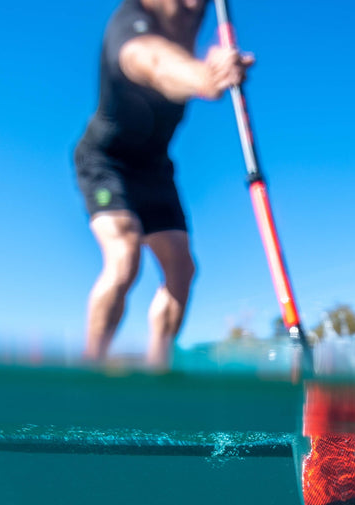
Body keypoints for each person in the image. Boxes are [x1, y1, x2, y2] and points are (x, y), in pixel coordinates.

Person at [74, 0, 254, 366]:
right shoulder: (131, 21)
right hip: (106, 160)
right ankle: (89, 373)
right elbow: (151, 62)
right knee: (125, 254)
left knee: (182, 270)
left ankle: (158, 374)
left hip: (155, 168)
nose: (195, 7)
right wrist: (205, 76)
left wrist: (204, 71)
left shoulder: (195, 18)